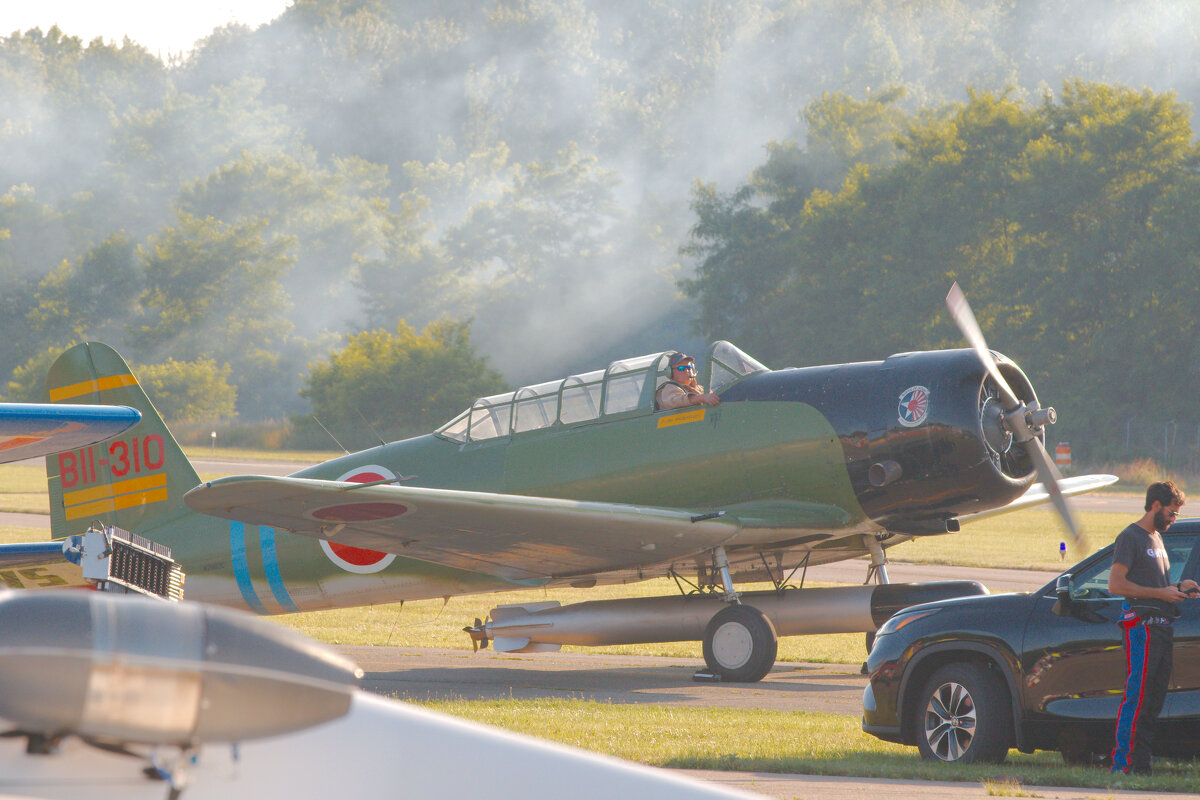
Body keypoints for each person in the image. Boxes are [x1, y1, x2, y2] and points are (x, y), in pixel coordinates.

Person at [1108, 480, 1200, 774]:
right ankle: (1123, 764)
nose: (1173, 520)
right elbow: (1116, 584)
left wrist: (1176, 587)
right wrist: (1162, 593)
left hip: (1162, 627)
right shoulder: (1130, 537)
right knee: (1138, 696)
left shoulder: (1157, 539)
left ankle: (1141, 764)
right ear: (1156, 506)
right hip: (1142, 628)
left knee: (1154, 699)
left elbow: (1154, 585)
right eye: (1171, 513)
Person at [655, 353, 720, 410]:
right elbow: (678, 400)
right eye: (681, 368)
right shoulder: (670, 388)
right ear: (670, 372)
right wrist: (701, 398)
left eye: (689, 367)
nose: (687, 371)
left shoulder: (699, 388)